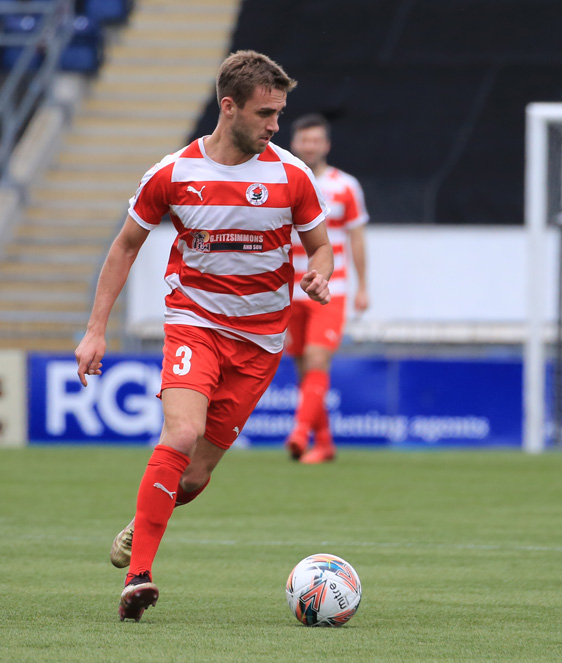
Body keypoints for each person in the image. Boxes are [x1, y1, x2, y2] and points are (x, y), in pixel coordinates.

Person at [74, 50, 334, 621]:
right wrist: (95, 331)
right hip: (195, 323)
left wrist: (321, 272)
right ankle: (138, 577)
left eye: (279, 114)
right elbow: (124, 246)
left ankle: (141, 522)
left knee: (194, 477)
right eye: (266, 113)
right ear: (228, 106)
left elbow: (320, 244)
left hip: (262, 341)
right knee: (183, 431)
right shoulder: (171, 174)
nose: (275, 125)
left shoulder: (292, 175)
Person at [284, 113, 370, 464]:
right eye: (305, 140)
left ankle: (299, 433)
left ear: (326, 145)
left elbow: (357, 238)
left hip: (330, 287)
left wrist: (363, 287)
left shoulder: (345, 186)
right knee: (304, 368)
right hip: (288, 290)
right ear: (295, 143)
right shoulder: (283, 181)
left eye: (316, 140)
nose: (310, 146)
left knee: (319, 358)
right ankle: (325, 443)